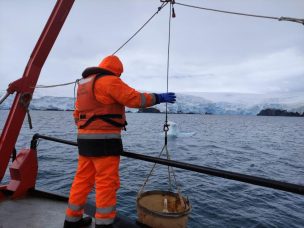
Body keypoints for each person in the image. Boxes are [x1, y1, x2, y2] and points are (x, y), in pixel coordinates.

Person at [64, 55, 176, 228]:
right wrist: (159, 97)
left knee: (82, 180)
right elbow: (135, 99)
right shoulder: (109, 81)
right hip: (105, 142)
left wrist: (88, 129)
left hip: (84, 141)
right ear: (117, 71)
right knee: (106, 184)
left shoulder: (85, 85)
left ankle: (72, 220)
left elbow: (76, 114)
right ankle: (104, 224)